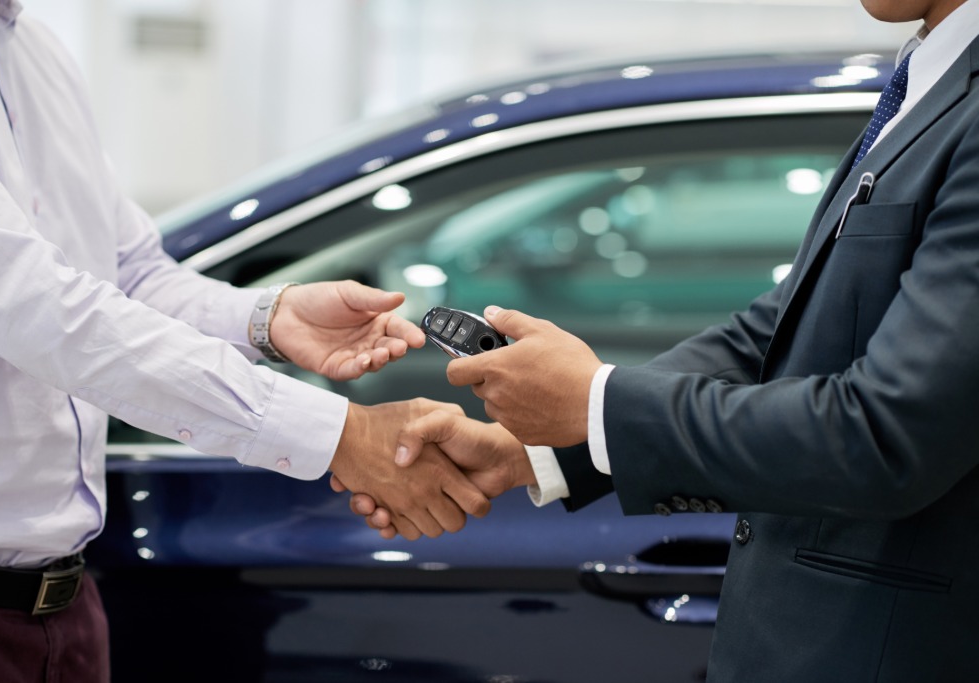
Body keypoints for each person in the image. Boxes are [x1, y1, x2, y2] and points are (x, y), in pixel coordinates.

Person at [341, 1, 979, 680]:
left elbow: (885, 435)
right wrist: (540, 445)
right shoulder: (927, 77)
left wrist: (596, 403)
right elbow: (778, 331)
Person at [0, 3, 488, 682]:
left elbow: (130, 274)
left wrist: (268, 318)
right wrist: (343, 434)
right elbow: (45, 311)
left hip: (63, 609)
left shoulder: (32, 49)